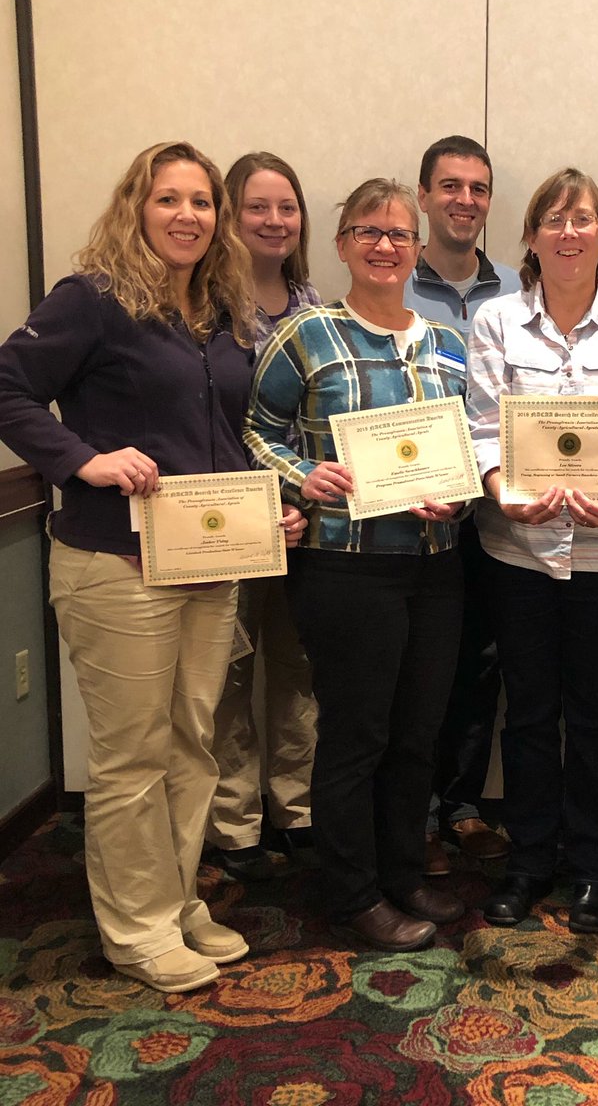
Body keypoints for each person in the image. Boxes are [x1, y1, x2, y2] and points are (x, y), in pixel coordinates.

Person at [0, 141, 305, 993]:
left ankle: (174, 902)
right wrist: (82, 460)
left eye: (202, 201)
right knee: (132, 756)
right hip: (116, 562)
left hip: (208, 560)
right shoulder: (93, 299)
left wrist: (270, 510)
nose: (187, 216)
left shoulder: (219, 309)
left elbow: (228, 437)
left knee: (191, 746)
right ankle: (135, 929)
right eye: (168, 199)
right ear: (136, 206)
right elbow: (8, 386)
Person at [245, 178, 469, 952]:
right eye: (369, 231)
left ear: (418, 248)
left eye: (400, 234)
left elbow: (468, 447)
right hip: (346, 569)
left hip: (436, 569)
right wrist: (301, 476)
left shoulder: (448, 345)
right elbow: (255, 430)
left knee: (417, 734)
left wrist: (457, 499)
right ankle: (352, 894)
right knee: (356, 735)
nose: (385, 245)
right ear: (341, 243)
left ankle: (403, 874)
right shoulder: (306, 335)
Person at [467, 167, 598, 934]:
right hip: (517, 547)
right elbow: (482, 422)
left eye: (583, 218)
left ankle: (591, 869)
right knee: (526, 713)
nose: (568, 231)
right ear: (530, 236)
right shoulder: (496, 321)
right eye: (553, 219)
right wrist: (501, 489)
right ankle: (528, 862)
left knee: (595, 714)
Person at [206, 152, 321, 881]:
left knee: (298, 668)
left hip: (302, 521)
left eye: (287, 207)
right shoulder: (199, 307)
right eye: (258, 207)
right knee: (228, 672)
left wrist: (301, 496)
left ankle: (296, 808)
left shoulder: (313, 305)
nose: (275, 221)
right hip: (221, 520)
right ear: (230, 214)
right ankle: (234, 822)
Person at [408, 136, 520, 874]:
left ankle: (463, 806)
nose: (465, 200)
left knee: (480, 667)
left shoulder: (516, 289)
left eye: (478, 188)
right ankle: (414, 814)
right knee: (417, 671)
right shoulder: (388, 278)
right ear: (424, 196)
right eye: (450, 186)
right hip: (411, 516)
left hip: (492, 516)